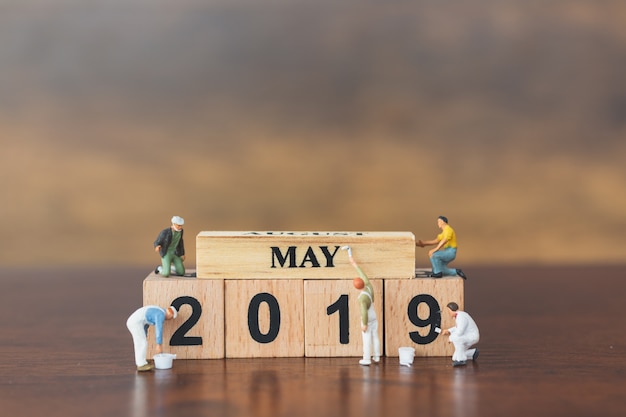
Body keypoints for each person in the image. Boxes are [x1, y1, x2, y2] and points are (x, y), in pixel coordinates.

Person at [341, 246, 381, 366]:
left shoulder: (362, 298)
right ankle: (377, 356)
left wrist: (364, 324)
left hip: (367, 318)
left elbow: (363, 312)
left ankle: (367, 358)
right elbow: (361, 273)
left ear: (356, 288)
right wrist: (352, 261)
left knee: (366, 339)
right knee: (375, 336)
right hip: (374, 314)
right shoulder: (368, 286)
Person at [126, 305, 178, 371]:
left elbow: (145, 323)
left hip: (136, 321)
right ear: (170, 314)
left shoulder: (159, 310)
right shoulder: (160, 314)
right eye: (171, 317)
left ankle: (142, 361)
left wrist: (145, 334)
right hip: (135, 323)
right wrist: (159, 344)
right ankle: (141, 364)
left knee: (142, 342)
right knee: (141, 343)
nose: (170, 319)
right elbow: (159, 329)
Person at [441, 302, 479, 367]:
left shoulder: (461, 317)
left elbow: (459, 332)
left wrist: (451, 338)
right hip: (468, 336)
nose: (448, 313)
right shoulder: (459, 316)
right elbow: (457, 327)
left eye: (449, 311)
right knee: (455, 357)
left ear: (451, 310)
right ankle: (473, 353)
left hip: (471, 336)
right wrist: (448, 330)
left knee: (457, 339)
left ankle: (461, 360)